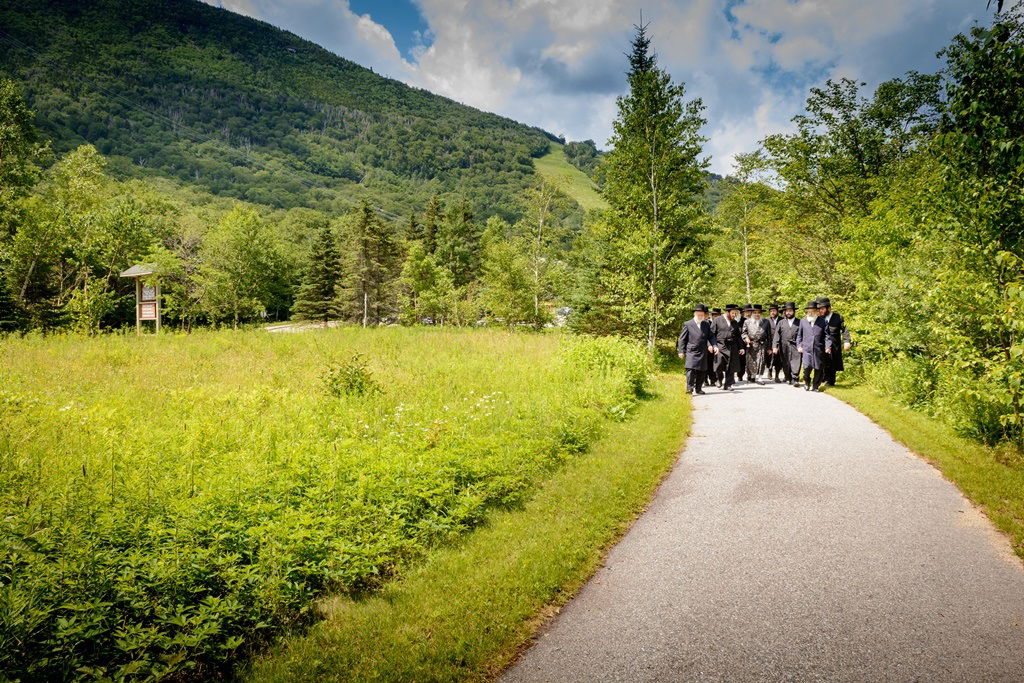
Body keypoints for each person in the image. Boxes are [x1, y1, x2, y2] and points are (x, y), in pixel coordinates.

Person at [677, 304, 718, 395]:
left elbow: (711, 337)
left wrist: (714, 345)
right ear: (694, 314)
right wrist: (681, 351)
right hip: (691, 351)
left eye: (702, 315)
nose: (700, 316)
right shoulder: (687, 324)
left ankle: (698, 388)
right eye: (698, 314)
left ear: (704, 315)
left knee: (702, 371)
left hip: (703, 351)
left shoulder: (706, 324)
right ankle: (689, 388)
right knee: (690, 370)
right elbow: (682, 339)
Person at [817, 297, 851, 386]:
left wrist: (847, 341)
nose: (821, 311)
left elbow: (845, 330)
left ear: (828, 308)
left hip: (835, 344)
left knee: (832, 362)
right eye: (819, 309)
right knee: (822, 362)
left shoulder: (838, 317)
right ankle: (822, 378)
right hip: (822, 344)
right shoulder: (818, 318)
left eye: (823, 309)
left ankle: (830, 381)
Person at [796, 300, 827, 391]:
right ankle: (807, 382)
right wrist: (799, 346)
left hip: (818, 349)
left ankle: (815, 386)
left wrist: (827, 347)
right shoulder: (803, 321)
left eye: (812, 311)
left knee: (818, 368)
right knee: (806, 367)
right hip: (806, 349)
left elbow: (827, 336)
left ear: (816, 312)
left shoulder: (822, 321)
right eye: (809, 311)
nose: (810, 313)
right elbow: (799, 335)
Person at [712, 304, 743, 391]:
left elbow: (738, 336)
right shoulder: (717, 320)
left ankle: (728, 384)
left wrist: (741, 347)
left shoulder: (735, 322)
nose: (734, 315)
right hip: (720, 346)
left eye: (735, 314)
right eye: (732, 313)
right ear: (727, 312)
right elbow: (712, 334)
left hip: (732, 346)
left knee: (730, 366)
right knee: (719, 365)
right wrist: (713, 345)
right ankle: (719, 379)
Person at [742, 304, 771, 385]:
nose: (757, 314)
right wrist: (746, 338)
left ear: (761, 313)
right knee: (751, 361)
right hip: (751, 344)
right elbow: (743, 333)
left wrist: (769, 347)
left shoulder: (766, 322)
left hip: (762, 344)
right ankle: (752, 375)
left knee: (761, 361)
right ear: (752, 313)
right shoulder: (747, 321)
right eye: (755, 312)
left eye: (758, 312)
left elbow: (769, 336)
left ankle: (760, 377)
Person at [773, 302, 802, 386]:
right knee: (785, 362)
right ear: (785, 312)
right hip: (784, 345)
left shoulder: (799, 322)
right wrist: (775, 346)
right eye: (787, 311)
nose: (788, 312)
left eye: (790, 311)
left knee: (796, 361)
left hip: (795, 345)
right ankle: (788, 377)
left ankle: (795, 378)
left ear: (794, 312)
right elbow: (776, 335)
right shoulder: (781, 322)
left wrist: (802, 345)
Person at [766, 303, 782, 382]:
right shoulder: (766, 320)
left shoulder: (782, 320)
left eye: (774, 311)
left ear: (777, 311)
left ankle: (777, 375)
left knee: (778, 360)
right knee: (770, 358)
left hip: (780, 344)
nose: (772, 312)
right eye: (771, 311)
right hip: (770, 342)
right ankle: (769, 371)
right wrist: (768, 347)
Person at [708, 308, 723, 386]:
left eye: (716, 315)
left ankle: (716, 379)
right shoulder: (708, 323)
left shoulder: (721, 323)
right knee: (709, 364)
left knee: (717, 363)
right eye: (713, 315)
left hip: (719, 346)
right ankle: (708, 380)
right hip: (709, 346)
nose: (715, 316)